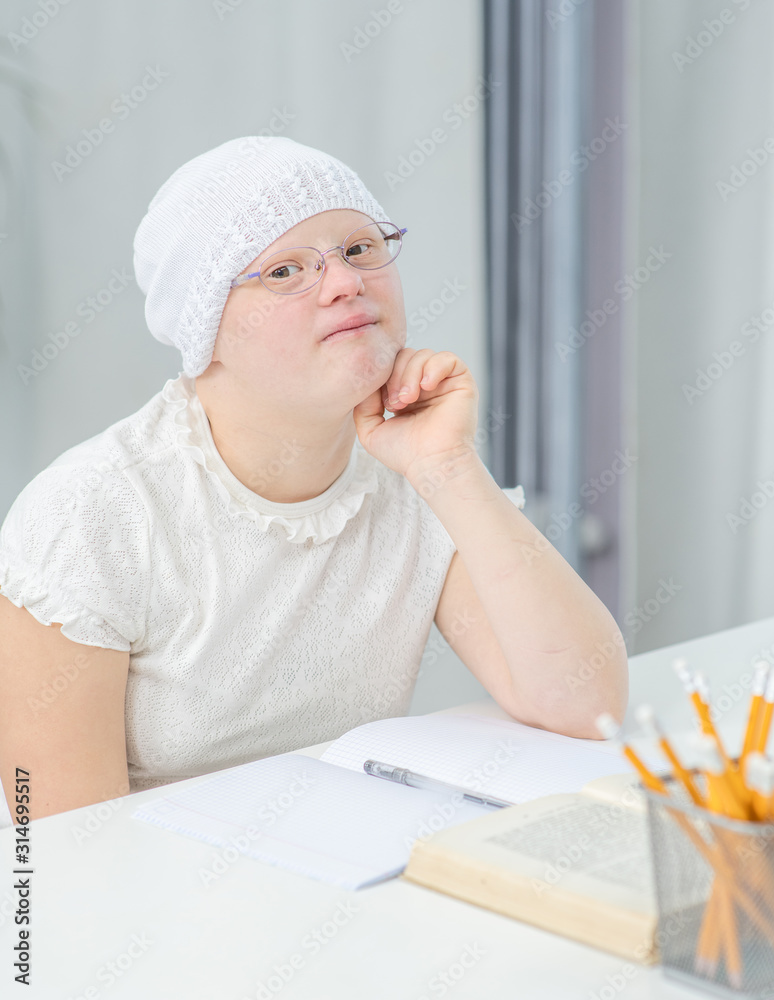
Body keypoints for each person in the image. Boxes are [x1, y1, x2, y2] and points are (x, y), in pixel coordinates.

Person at [0, 136, 627, 824]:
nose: (346, 282)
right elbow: (61, 857)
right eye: (285, 271)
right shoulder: (92, 514)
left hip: (348, 875)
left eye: (360, 249)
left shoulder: (409, 475)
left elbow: (586, 705)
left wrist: (449, 468)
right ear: (204, 325)